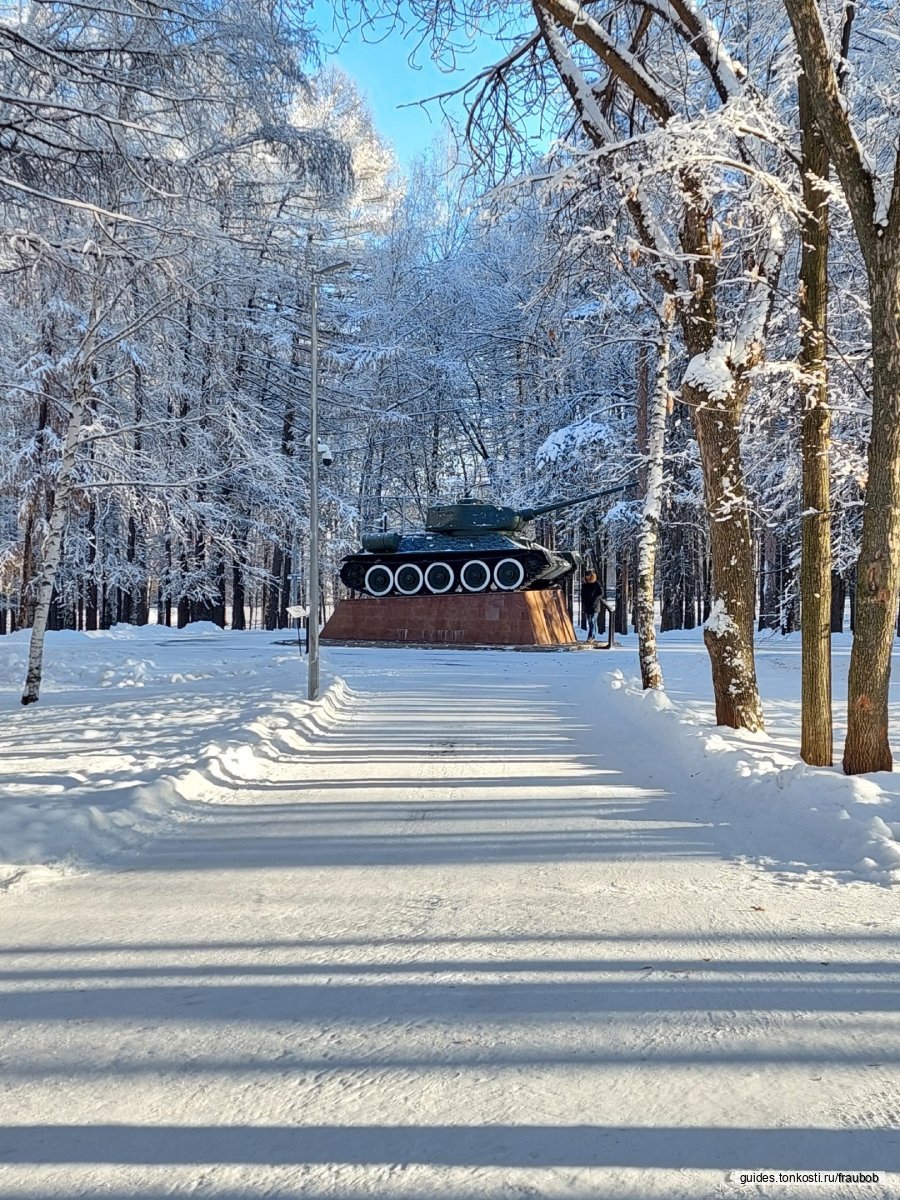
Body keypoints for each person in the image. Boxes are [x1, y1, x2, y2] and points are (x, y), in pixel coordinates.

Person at [580, 570, 605, 641]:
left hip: (595, 606)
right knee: (590, 622)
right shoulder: (585, 585)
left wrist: (596, 599)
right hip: (587, 606)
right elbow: (583, 595)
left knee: (592, 621)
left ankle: (591, 636)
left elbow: (601, 593)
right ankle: (592, 636)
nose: (586, 577)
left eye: (588, 575)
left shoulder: (596, 584)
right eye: (586, 575)